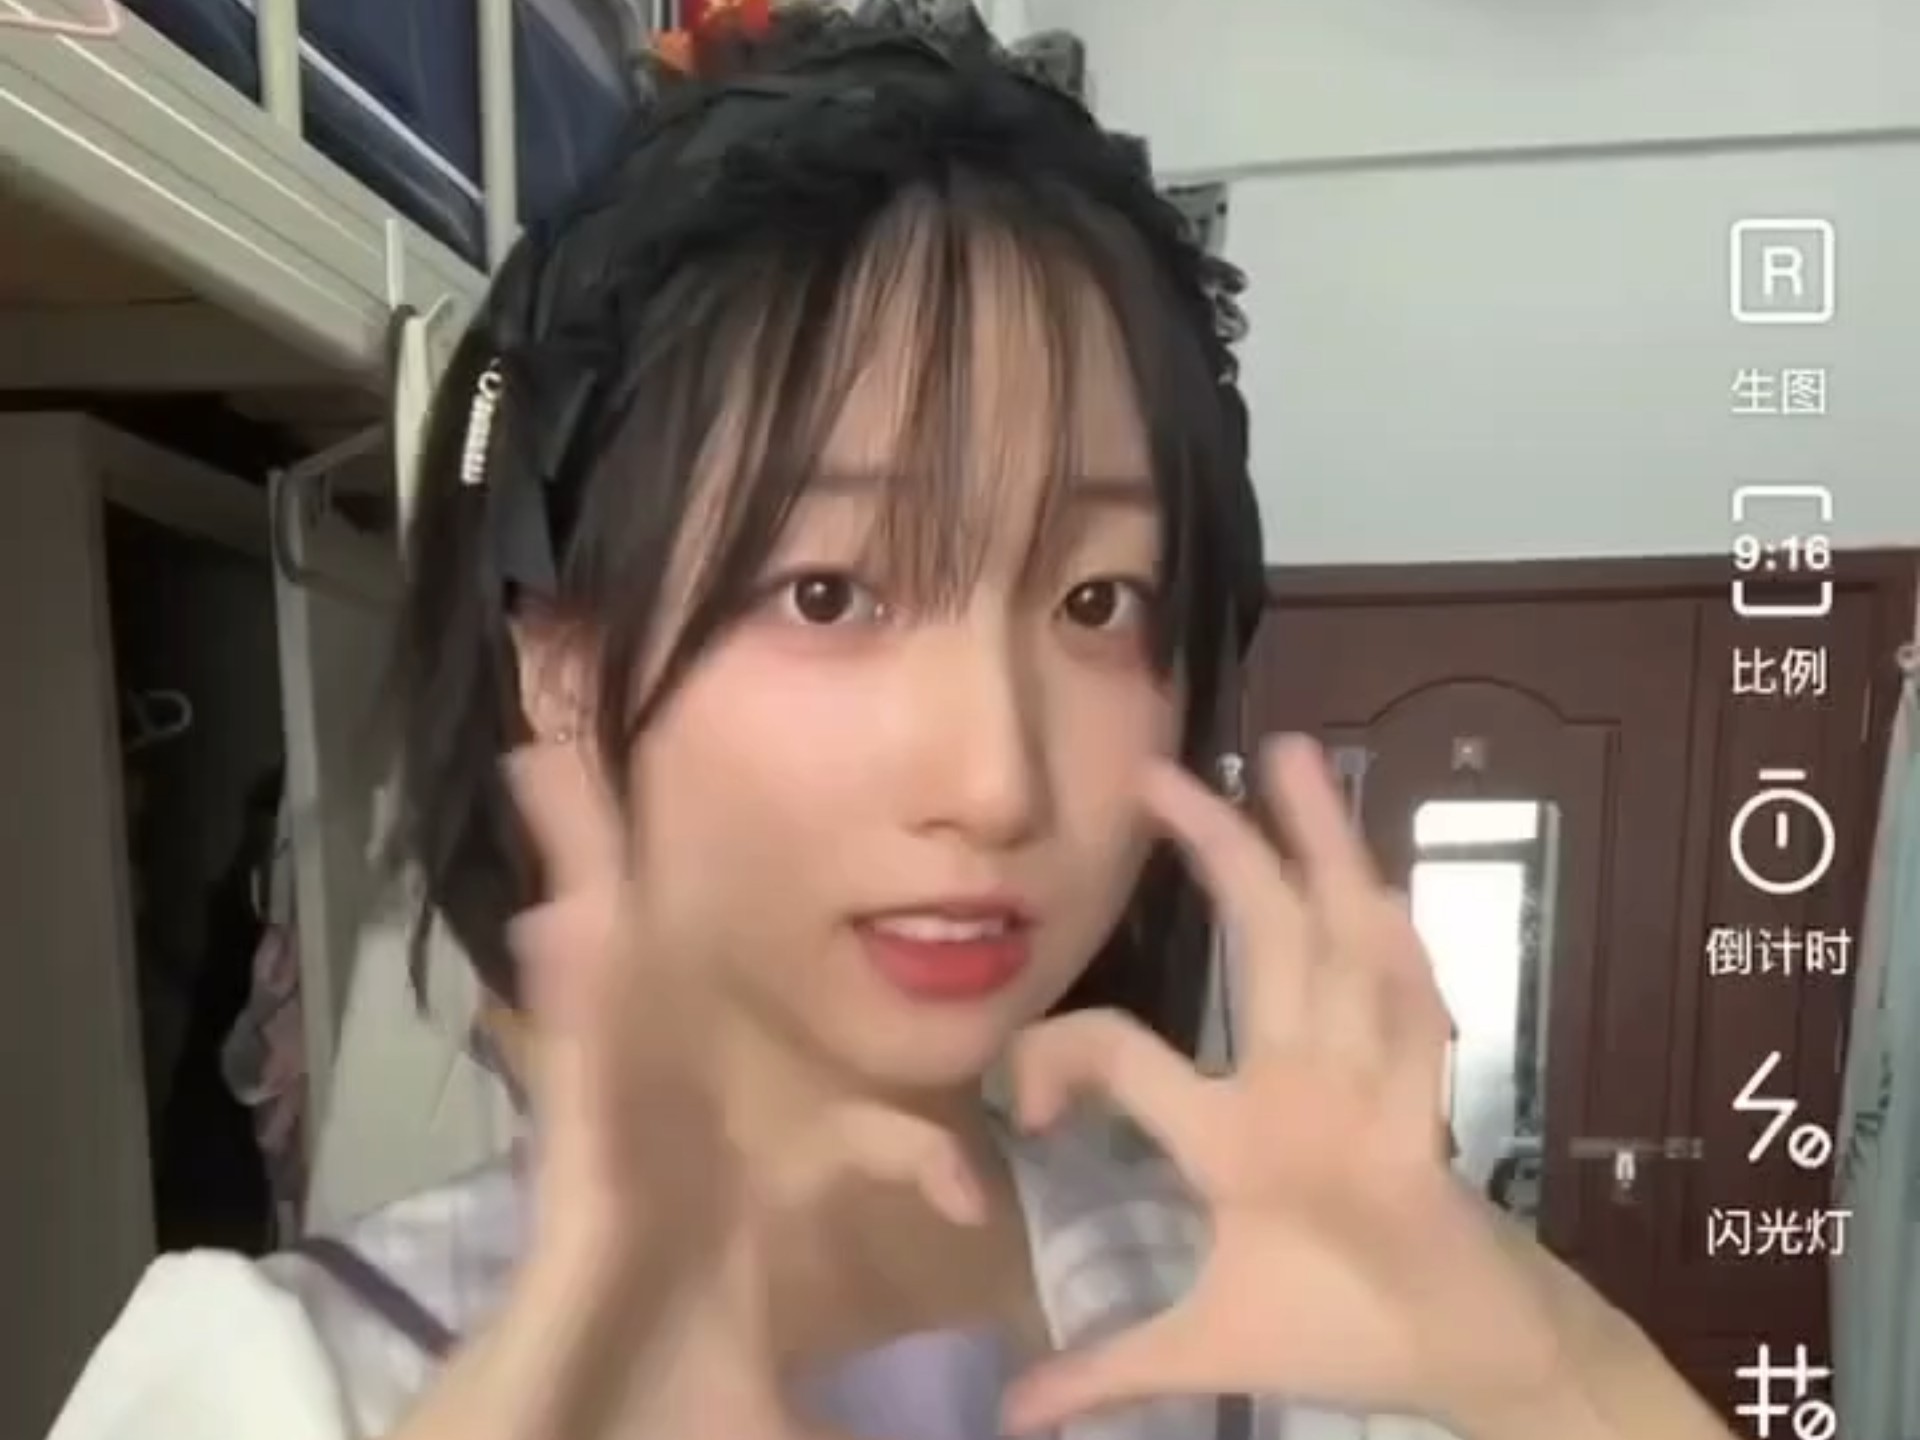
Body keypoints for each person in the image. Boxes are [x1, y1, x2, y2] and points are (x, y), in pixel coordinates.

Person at [48, 6, 1740, 1439]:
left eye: (1099, 602)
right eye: (830, 593)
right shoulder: (288, 1379)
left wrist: (1549, 1358)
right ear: (555, 654)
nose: (997, 781)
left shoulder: (1285, 1311)